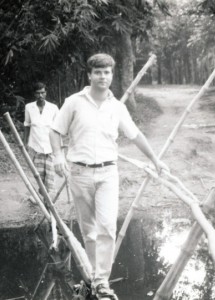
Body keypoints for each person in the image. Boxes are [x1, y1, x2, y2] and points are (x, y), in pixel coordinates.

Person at [49, 53, 169, 299]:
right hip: (79, 173)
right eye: (98, 72)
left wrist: (155, 160)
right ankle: (95, 277)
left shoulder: (117, 107)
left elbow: (135, 135)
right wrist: (58, 156)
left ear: (112, 75)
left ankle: (101, 281)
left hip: (108, 173)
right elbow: (55, 131)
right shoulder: (74, 102)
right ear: (89, 75)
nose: (103, 77)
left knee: (107, 227)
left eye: (107, 72)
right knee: (89, 230)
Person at [24, 82, 59, 201]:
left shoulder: (53, 108)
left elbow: (57, 128)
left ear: (46, 93)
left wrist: (59, 147)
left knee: (50, 174)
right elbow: (27, 125)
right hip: (35, 146)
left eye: (42, 92)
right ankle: (41, 195)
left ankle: (48, 199)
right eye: (38, 93)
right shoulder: (29, 107)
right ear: (34, 94)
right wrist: (24, 143)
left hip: (50, 146)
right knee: (38, 174)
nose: (40, 95)